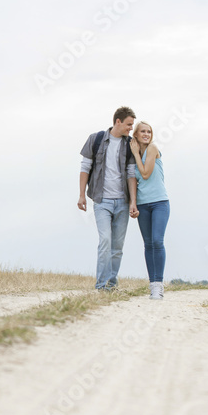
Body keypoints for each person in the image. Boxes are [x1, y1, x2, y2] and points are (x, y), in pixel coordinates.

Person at [78, 107, 138, 290]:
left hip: (122, 202)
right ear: (118, 122)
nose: (131, 128)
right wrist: (81, 195)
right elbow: (85, 167)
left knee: (117, 247)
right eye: (129, 124)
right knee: (105, 241)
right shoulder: (95, 139)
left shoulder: (130, 144)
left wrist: (133, 202)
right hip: (101, 201)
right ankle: (101, 285)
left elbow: (130, 174)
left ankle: (111, 284)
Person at [129, 121, 170, 299]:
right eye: (142, 131)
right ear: (135, 135)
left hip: (160, 202)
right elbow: (133, 181)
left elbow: (145, 173)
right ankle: (153, 285)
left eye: (149, 131)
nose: (146, 134)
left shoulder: (152, 149)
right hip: (143, 204)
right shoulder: (132, 156)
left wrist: (137, 155)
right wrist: (133, 203)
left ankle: (159, 284)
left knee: (157, 241)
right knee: (148, 244)